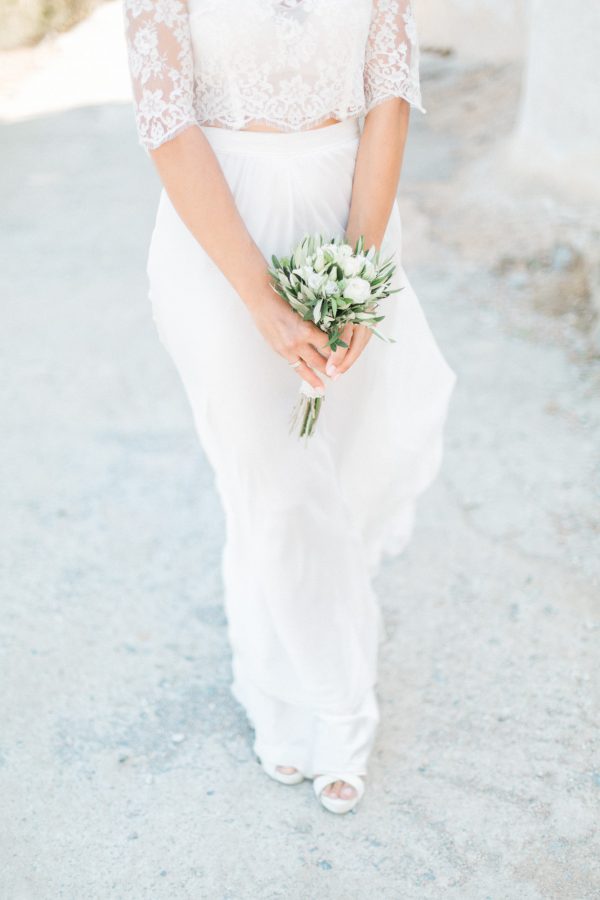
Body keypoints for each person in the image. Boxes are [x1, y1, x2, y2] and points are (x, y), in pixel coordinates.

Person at [122, 0, 456, 815]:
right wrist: (261, 298)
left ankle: (275, 665)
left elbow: (387, 95)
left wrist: (359, 267)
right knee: (269, 477)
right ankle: (336, 705)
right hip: (220, 242)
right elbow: (167, 121)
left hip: (349, 215)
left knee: (332, 469)